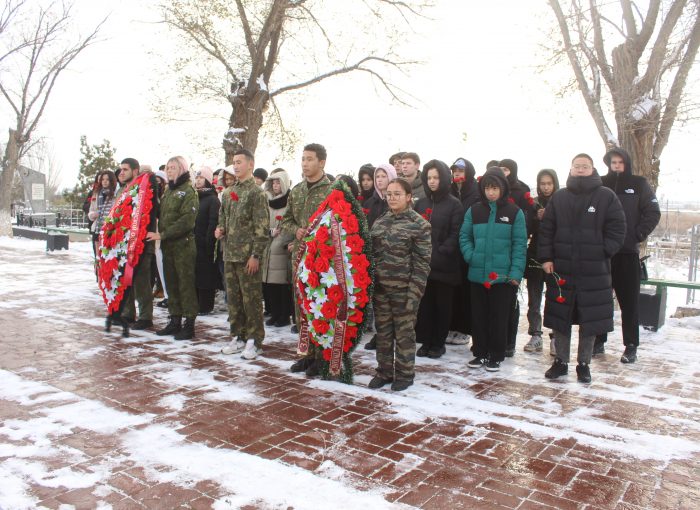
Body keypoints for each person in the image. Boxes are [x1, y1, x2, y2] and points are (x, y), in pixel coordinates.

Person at [539, 153, 626, 383]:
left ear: (592, 169)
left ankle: (584, 364)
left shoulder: (606, 197)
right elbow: (547, 230)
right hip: (562, 268)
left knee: (590, 320)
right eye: (577, 166)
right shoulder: (559, 197)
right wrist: (546, 258)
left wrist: (603, 250)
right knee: (561, 317)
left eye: (584, 166)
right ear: (571, 169)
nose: (580, 170)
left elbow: (618, 228)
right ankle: (560, 362)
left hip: (594, 270)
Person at [594, 148, 660, 363]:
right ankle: (598, 341)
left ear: (627, 163)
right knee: (600, 299)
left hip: (627, 253)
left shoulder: (639, 184)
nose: (617, 166)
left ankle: (631, 345)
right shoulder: (600, 184)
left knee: (629, 302)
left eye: (620, 162)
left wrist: (637, 234)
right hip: (602, 253)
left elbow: (653, 212)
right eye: (613, 162)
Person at [460, 168, 527, 372]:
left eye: (495, 188)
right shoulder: (475, 210)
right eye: (487, 188)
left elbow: (519, 245)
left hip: (503, 276)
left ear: (503, 188)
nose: (491, 192)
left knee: (499, 316)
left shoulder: (514, 213)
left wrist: (515, 273)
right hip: (478, 274)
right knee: (478, 315)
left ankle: (496, 354)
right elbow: (464, 236)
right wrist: (471, 256)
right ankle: (479, 352)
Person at [369, 178, 431, 391]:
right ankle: (384, 372)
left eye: (397, 194)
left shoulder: (419, 225)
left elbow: (422, 263)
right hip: (381, 290)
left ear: (408, 197)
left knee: (404, 335)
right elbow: (372, 255)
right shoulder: (380, 221)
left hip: (405, 290)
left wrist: (415, 292)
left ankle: (405, 374)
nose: (392, 198)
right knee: (383, 333)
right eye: (389, 194)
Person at [282, 143, 332, 374]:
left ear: (321, 162)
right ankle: (305, 354)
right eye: (302, 159)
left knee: (319, 307)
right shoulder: (297, 190)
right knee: (301, 307)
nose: (304, 163)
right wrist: (296, 230)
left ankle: (321, 357)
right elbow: (287, 219)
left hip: (322, 260)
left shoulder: (332, 191)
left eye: (310, 159)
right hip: (299, 258)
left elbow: (339, 226)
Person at [216, 149, 270, 359]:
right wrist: (220, 230)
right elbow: (223, 219)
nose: (236, 166)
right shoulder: (229, 193)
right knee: (234, 300)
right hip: (229, 254)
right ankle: (238, 336)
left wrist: (256, 255)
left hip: (248, 257)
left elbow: (262, 228)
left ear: (250, 164)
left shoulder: (257, 193)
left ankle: (254, 340)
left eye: (239, 162)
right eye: (234, 162)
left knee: (251, 300)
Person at [414, 160, 464, 358]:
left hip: (445, 267)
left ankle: (438, 343)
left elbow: (455, 234)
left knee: (442, 307)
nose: (432, 182)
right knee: (425, 307)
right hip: (423, 266)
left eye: (436, 177)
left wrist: (439, 253)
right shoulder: (421, 203)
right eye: (429, 178)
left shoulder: (454, 204)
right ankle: (426, 341)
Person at [148, 155, 199, 340]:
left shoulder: (188, 191)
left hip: (183, 246)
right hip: (168, 246)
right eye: (168, 167)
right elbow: (162, 213)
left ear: (182, 169)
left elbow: (187, 220)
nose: (169, 170)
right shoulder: (169, 191)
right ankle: (175, 320)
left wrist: (164, 234)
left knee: (185, 285)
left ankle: (189, 324)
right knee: (171, 284)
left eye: (173, 167)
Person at [499, 158, 535, 357]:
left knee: (511, 302)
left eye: (506, 169)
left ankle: (509, 343)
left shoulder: (521, 190)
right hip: (495, 252)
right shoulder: (490, 191)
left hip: (514, 249)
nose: (503, 173)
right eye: (500, 169)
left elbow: (527, 219)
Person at [118, 158, 159, 330]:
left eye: (125, 170)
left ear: (135, 171)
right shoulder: (122, 190)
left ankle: (145, 316)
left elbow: (153, 210)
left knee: (141, 281)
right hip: (124, 243)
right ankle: (128, 313)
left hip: (141, 242)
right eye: (120, 169)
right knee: (125, 279)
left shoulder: (145, 189)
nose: (121, 173)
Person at [523, 169, 560, 354]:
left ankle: (556, 337)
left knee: (555, 297)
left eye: (549, 183)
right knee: (534, 298)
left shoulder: (562, 201)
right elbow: (527, 229)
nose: (546, 187)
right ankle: (535, 334)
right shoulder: (533, 204)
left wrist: (551, 216)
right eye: (542, 183)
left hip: (555, 256)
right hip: (535, 255)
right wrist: (535, 218)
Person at [362, 162, 398, 351]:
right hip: (373, 255)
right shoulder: (370, 202)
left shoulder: (396, 201)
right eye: (378, 177)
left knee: (390, 299)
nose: (380, 180)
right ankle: (379, 334)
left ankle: (390, 335)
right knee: (377, 298)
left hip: (392, 257)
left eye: (384, 176)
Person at [448, 157, 480, 346]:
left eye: (461, 170)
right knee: (454, 290)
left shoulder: (475, 191)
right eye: (455, 171)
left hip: (469, 245)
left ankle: (465, 329)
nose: (457, 174)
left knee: (467, 291)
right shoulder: (451, 190)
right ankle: (452, 326)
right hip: (453, 247)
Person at [262, 167, 294, 327]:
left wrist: (281, 238)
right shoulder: (268, 202)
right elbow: (264, 222)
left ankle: (283, 315)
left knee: (282, 286)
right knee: (271, 285)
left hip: (281, 247)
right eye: (273, 183)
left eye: (278, 182)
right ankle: (274, 313)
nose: (275, 186)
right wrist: (269, 231)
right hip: (269, 244)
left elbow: (290, 223)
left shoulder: (289, 201)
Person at [193, 166, 222, 315]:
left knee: (206, 275)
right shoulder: (194, 197)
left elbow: (213, 222)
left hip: (205, 244)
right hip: (193, 242)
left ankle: (205, 305)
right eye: (196, 178)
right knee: (195, 275)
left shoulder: (212, 199)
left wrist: (208, 242)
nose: (198, 181)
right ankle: (196, 303)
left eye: (201, 178)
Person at [87, 170, 117, 256]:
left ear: (111, 181)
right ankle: (98, 269)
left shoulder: (115, 194)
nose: (104, 181)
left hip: (109, 229)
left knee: (108, 256)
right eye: (103, 179)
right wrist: (92, 215)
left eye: (107, 179)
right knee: (97, 257)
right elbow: (91, 209)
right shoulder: (96, 193)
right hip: (97, 228)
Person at [153, 169, 169, 308]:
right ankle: (165, 293)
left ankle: (169, 295)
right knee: (160, 268)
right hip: (156, 239)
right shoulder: (153, 196)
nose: (157, 185)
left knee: (166, 267)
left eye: (159, 182)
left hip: (166, 237)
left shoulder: (166, 196)